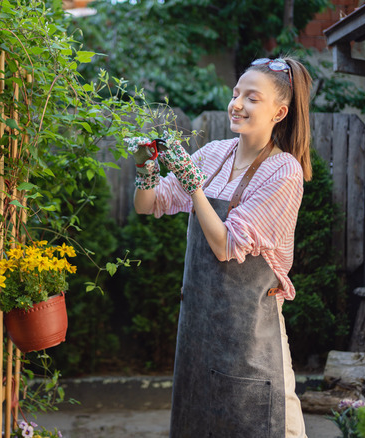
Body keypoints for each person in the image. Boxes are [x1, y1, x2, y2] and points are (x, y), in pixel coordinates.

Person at [126, 56, 313, 437]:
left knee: (271, 425)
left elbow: (226, 245)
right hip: (198, 328)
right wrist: (145, 167)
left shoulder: (284, 172)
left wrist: (194, 186)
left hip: (251, 337)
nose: (237, 104)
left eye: (252, 98)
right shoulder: (213, 154)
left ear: (280, 111)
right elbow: (149, 206)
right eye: (235, 93)